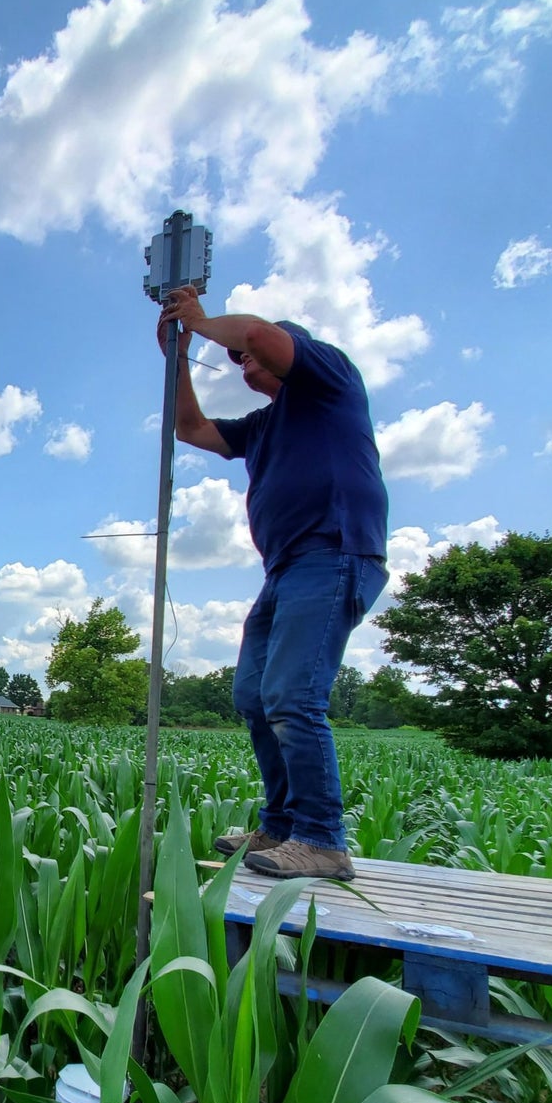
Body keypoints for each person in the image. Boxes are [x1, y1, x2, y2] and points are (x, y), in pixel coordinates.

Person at [156, 287, 389, 880]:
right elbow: (191, 427)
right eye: (235, 361)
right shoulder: (263, 426)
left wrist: (202, 322)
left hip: (332, 554)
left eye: (247, 360)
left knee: (292, 695)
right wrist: (179, 356)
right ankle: (282, 825)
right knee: (254, 696)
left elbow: (258, 335)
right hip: (285, 569)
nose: (240, 362)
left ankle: (322, 840)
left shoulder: (329, 381)